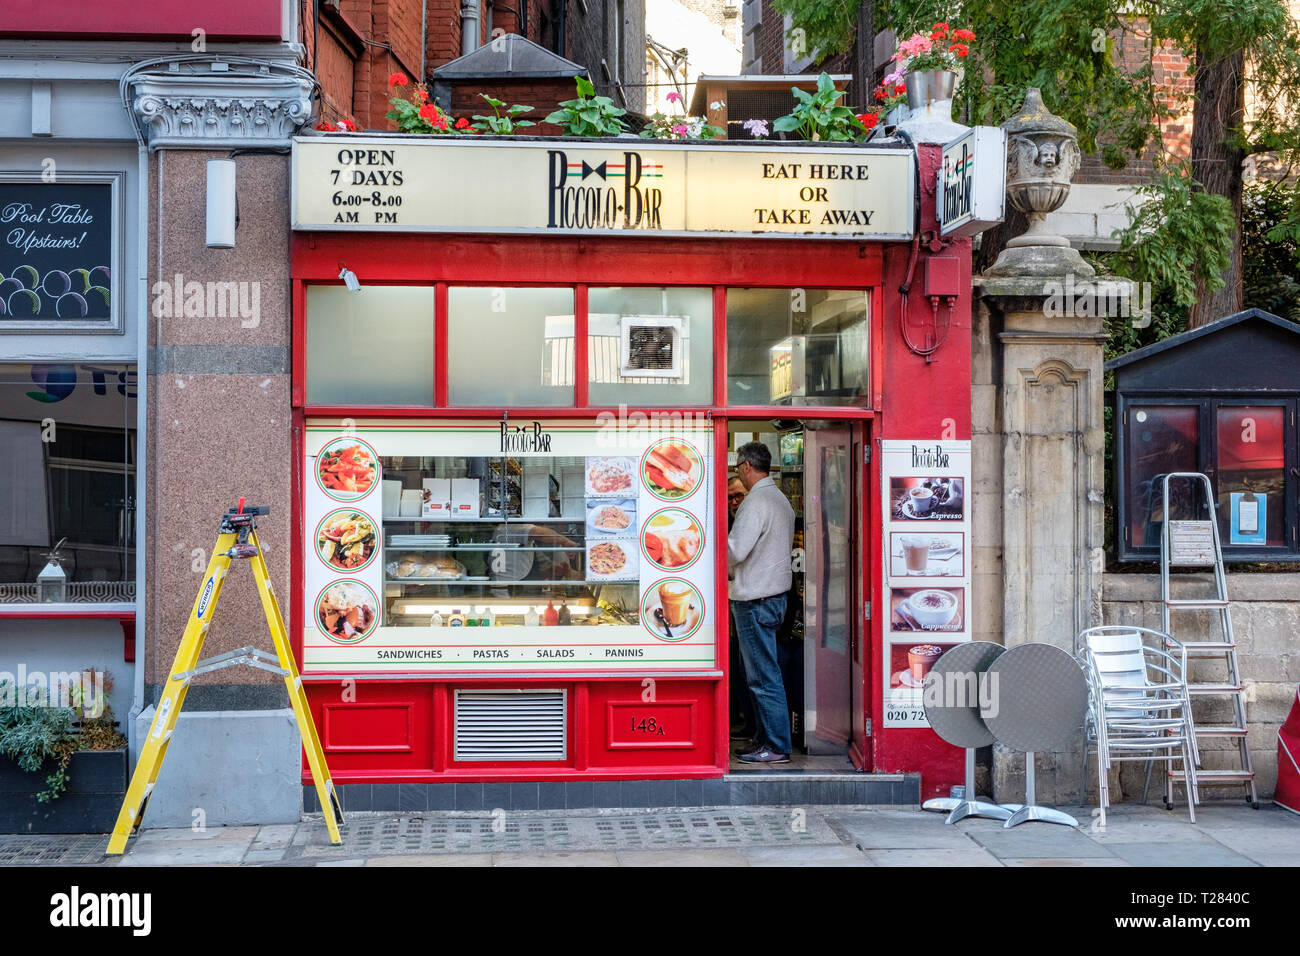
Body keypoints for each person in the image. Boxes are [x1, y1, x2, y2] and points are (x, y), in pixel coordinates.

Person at [728, 441, 796, 763]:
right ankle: (763, 738)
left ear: (746, 466)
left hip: (756, 599)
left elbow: (735, 551)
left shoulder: (755, 502)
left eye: (737, 468)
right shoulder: (780, 499)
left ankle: (776, 745)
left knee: (762, 676)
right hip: (774, 597)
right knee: (763, 672)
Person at [725, 473, 754, 740]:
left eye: (738, 495)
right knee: (736, 662)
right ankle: (740, 717)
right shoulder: (726, 522)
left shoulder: (751, 519)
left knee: (751, 667)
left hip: (750, 600)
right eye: (730, 498)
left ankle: (753, 724)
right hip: (732, 602)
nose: (734, 501)